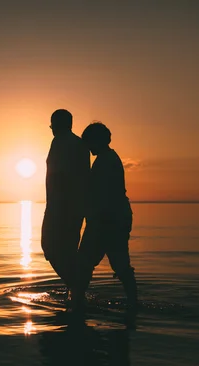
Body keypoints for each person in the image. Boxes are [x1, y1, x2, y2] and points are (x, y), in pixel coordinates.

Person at [77, 122, 138, 318]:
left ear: (98, 140)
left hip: (107, 220)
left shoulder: (105, 161)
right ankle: (133, 302)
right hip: (116, 217)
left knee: (85, 262)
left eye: (88, 142)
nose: (87, 147)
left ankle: (77, 301)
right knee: (120, 264)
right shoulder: (109, 158)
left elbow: (98, 193)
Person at [41, 109, 90, 299]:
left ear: (60, 125)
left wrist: (56, 205)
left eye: (52, 125)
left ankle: (76, 288)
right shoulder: (79, 144)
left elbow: (62, 177)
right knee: (67, 250)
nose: (52, 129)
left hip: (61, 207)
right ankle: (75, 289)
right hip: (74, 207)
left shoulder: (62, 143)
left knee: (50, 247)